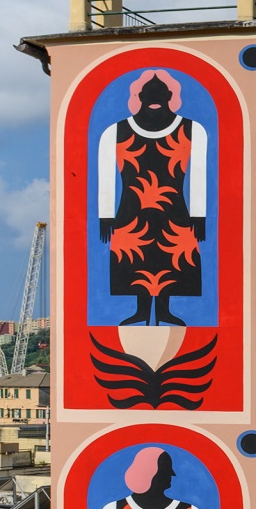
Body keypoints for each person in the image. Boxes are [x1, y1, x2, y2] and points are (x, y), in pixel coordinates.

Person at [97, 69, 208, 326]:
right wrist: (105, 215)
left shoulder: (193, 130)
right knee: (135, 258)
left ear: (170, 96)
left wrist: (199, 214)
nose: (154, 100)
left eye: (160, 95)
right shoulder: (115, 131)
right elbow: (105, 175)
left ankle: (165, 310)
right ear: (139, 97)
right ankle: (142, 310)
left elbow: (199, 174)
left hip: (175, 211)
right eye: (149, 95)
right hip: (131, 211)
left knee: (173, 257)